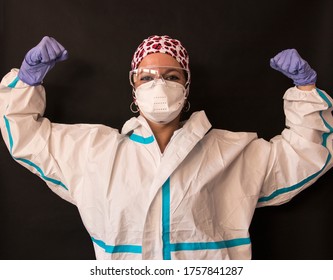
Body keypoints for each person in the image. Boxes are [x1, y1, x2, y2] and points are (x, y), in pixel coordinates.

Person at [0, 35, 332, 260]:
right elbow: (26, 136)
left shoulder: (232, 152)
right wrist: (28, 81)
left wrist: (305, 89)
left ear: (186, 87)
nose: (159, 84)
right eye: (146, 77)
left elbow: (304, 155)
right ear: (134, 89)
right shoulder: (93, 153)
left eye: (172, 76)